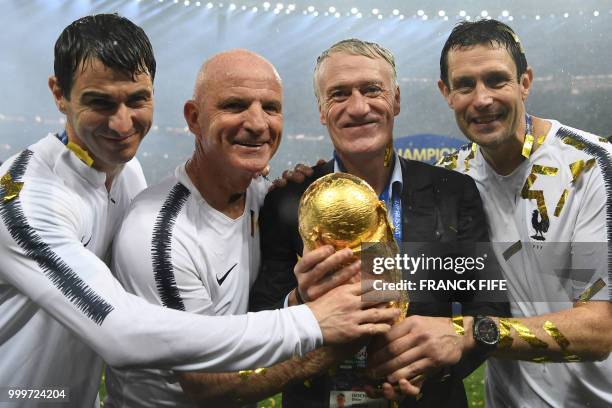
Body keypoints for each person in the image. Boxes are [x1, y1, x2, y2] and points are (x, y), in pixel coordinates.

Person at [0, 15, 395, 408]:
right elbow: (124, 334)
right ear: (59, 93)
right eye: (99, 102)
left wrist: (454, 329)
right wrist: (313, 324)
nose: (122, 124)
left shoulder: (126, 172)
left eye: (137, 99)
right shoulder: (27, 200)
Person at [104, 49, 396, 408]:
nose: (258, 123)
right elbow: (207, 384)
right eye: (235, 105)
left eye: (271, 108)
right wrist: (336, 342)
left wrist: (300, 299)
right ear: (194, 118)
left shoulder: (265, 196)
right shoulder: (158, 234)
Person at [248, 38, 509, 408]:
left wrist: (438, 361)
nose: (358, 107)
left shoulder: (453, 192)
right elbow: (258, 317)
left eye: (372, 90)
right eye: (339, 94)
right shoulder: (290, 199)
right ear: (322, 110)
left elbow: (491, 309)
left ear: (397, 100)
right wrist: (299, 300)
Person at [368, 19, 612, 407]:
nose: (481, 99)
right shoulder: (453, 180)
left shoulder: (591, 167)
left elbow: (602, 329)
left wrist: (474, 332)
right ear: (446, 93)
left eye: (496, 80)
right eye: (465, 85)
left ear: (525, 82)